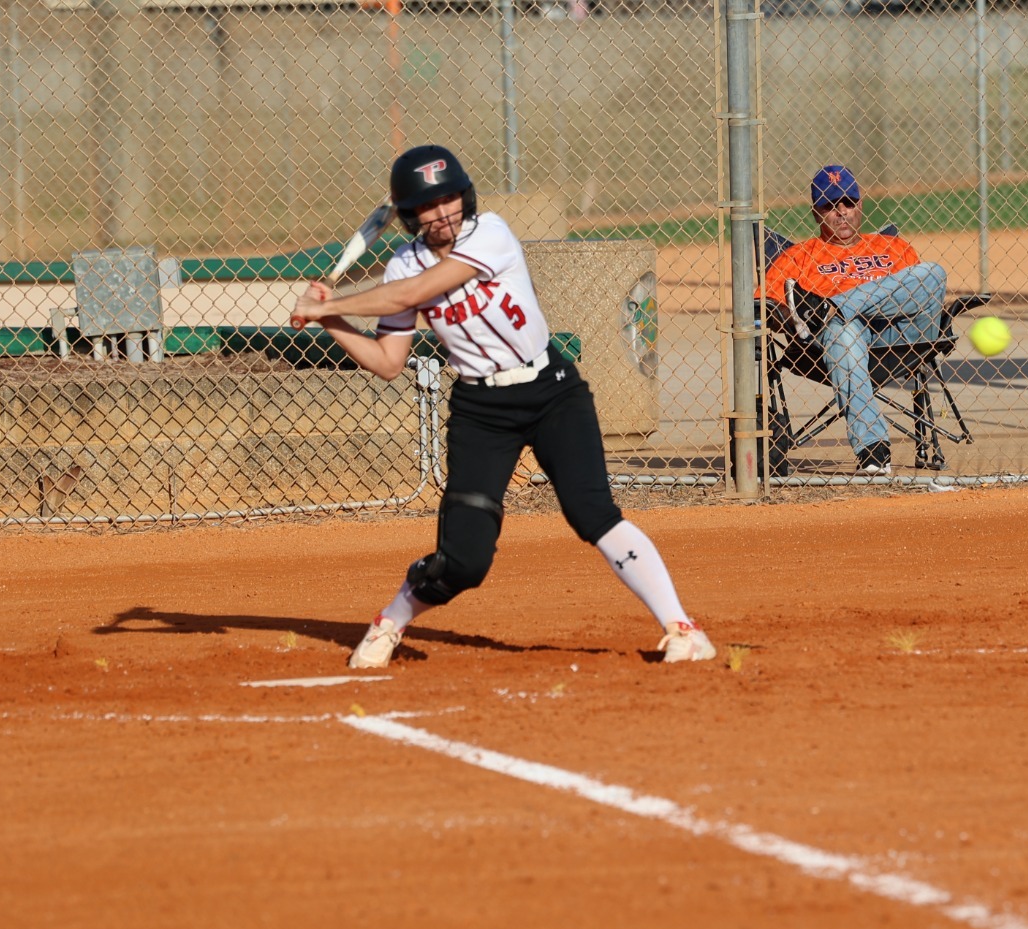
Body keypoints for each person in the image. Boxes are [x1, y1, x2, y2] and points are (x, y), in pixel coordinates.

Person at [292, 144, 715, 668]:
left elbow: (411, 294)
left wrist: (329, 304)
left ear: (464, 197)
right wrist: (330, 320)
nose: (442, 213)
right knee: (465, 561)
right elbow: (387, 361)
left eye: (448, 199)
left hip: (551, 390)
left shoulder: (489, 234)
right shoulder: (403, 264)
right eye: (428, 205)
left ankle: (683, 629)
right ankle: (390, 621)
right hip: (482, 410)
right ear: (410, 215)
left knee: (593, 513)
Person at [762, 165, 949, 475]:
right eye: (830, 205)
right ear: (816, 213)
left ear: (860, 205)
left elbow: (919, 293)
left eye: (848, 202)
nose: (841, 212)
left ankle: (828, 308)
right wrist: (788, 321)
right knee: (843, 329)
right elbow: (766, 305)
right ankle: (873, 448)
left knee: (933, 272)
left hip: (903, 337)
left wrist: (837, 305)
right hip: (842, 345)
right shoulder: (797, 257)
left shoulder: (893, 247)